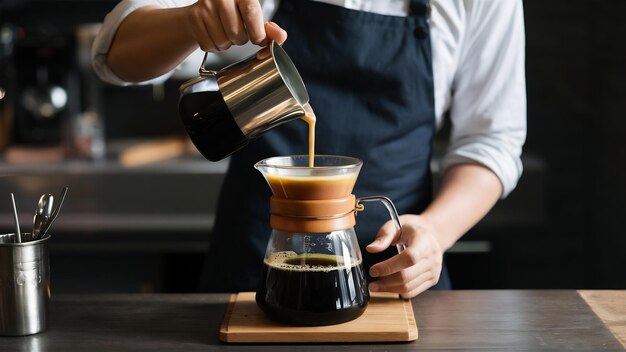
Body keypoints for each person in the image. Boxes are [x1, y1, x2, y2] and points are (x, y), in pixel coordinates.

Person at [93, 0, 526, 298]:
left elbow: (491, 140)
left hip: (393, 276)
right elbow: (115, 53)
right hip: (254, 268)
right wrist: (191, 21)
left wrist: (435, 231)